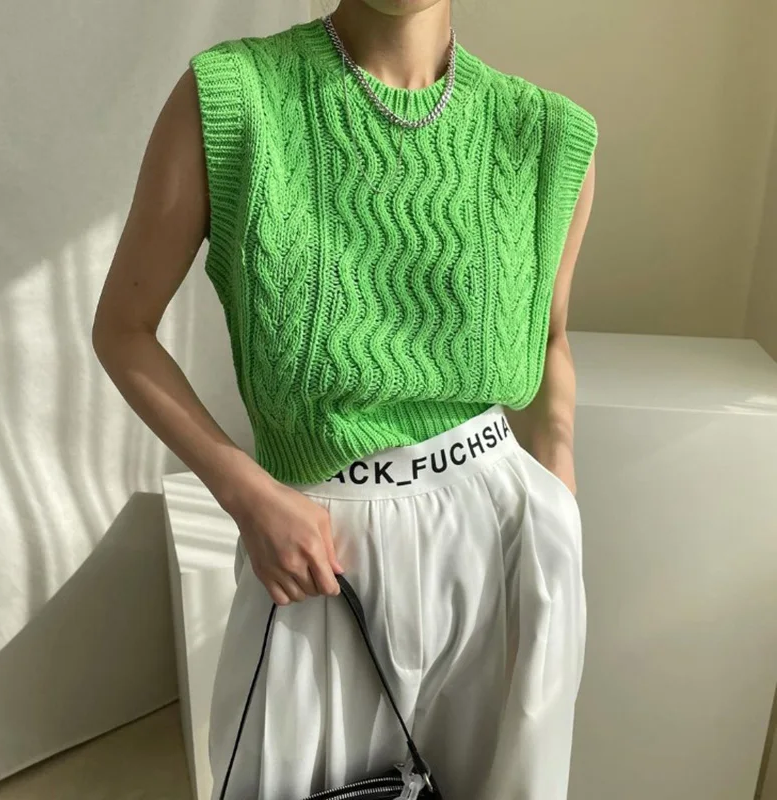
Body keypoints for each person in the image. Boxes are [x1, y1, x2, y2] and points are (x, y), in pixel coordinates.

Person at [92, 0, 597, 797]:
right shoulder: (234, 97)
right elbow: (123, 329)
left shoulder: (545, 132)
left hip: (504, 535)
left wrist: (556, 480)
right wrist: (248, 494)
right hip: (319, 550)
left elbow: (551, 337)